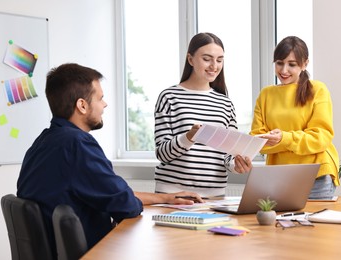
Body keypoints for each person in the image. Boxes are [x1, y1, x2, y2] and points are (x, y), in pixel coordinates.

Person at [16, 63, 204, 256]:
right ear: (82, 105)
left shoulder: (44, 142)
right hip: (91, 254)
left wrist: (166, 198)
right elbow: (126, 204)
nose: (104, 105)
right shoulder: (77, 144)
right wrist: (132, 199)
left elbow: (114, 193)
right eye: (100, 98)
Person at [154, 32, 252, 197]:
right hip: (173, 194)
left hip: (214, 196)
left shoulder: (225, 104)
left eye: (219, 60)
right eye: (207, 59)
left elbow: (228, 156)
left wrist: (237, 165)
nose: (214, 66)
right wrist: (189, 137)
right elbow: (161, 153)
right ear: (190, 59)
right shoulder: (169, 97)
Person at [250, 36, 340, 199]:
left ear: (304, 64)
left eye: (292, 64)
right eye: (279, 63)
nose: (284, 70)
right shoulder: (266, 94)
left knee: (317, 225)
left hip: (315, 175)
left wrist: (282, 139)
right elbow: (257, 142)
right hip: (278, 177)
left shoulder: (317, 89)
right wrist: (285, 141)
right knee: (278, 225)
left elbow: (321, 138)